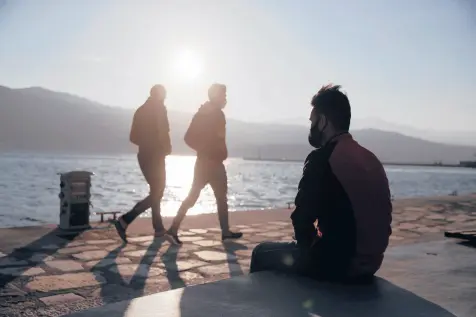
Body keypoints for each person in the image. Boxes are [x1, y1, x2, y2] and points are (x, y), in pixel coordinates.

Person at [249, 84, 392, 283]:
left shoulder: (323, 158)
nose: (311, 127)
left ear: (323, 122)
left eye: (312, 121)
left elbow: (301, 220)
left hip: (337, 266)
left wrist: (310, 252)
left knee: (260, 252)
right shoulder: (371, 159)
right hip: (371, 264)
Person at [165, 83, 243, 245]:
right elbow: (188, 138)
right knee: (195, 197)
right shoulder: (206, 114)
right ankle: (173, 229)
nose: (226, 99)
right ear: (216, 96)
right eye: (224, 95)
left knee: (220, 198)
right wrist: (206, 150)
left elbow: (218, 139)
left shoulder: (214, 114)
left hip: (214, 162)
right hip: (206, 163)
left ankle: (225, 232)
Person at [113, 84, 171, 243]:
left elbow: (133, 137)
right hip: (156, 155)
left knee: (156, 191)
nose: (165, 98)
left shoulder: (140, 110)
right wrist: (165, 148)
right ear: (160, 95)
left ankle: (158, 229)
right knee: (157, 192)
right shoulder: (159, 109)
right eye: (164, 94)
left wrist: (145, 142)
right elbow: (163, 131)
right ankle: (125, 220)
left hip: (143, 155)